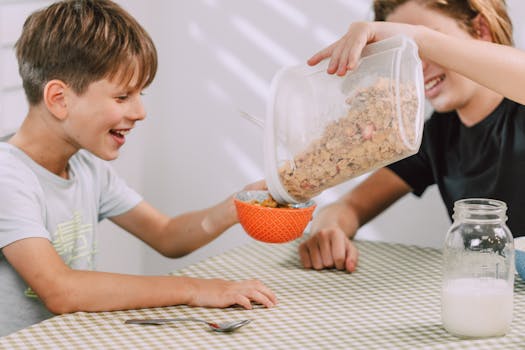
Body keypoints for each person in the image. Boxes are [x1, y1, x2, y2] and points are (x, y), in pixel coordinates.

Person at [0, 0, 276, 336]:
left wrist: (243, 202)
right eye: (122, 97)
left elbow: (167, 235)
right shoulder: (8, 176)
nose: (141, 111)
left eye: (140, 94)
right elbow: (61, 290)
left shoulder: (85, 167)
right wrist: (194, 289)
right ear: (59, 99)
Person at [298, 0, 525, 272]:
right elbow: (351, 206)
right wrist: (328, 230)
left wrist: (416, 36)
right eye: (405, 53)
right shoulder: (436, 135)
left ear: (481, 30)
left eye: (426, 44)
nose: (417, 67)